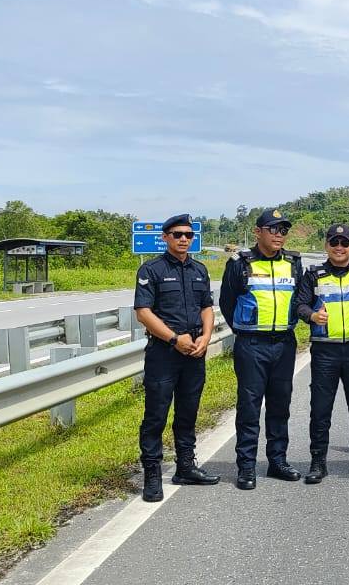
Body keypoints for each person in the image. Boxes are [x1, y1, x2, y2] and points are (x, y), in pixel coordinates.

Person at [133, 213, 219, 502]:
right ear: (165, 237)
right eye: (177, 234)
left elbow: (207, 307)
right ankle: (152, 475)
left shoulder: (199, 270)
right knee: (155, 415)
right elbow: (143, 312)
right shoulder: (151, 270)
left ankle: (185, 467)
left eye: (188, 235)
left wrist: (206, 337)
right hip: (164, 353)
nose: (184, 239)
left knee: (188, 412)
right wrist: (173, 338)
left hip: (194, 352)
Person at [219, 208, 303, 490]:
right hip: (252, 344)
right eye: (273, 229)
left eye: (283, 230)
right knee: (249, 406)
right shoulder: (240, 263)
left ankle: (278, 461)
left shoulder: (293, 263)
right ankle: (246, 467)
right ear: (258, 232)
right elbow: (227, 302)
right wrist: (243, 331)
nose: (279, 235)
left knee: (280, 405)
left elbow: (301, 298)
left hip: (284, 343)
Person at [293, 224, 349, 484]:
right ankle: (318, 461)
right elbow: (300, 304)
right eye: (334, 242)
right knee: (320, 408)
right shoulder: (313, 274)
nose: (339, 247)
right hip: (324, 349)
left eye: (344, 243)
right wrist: (313, 316)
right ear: (326, 245)